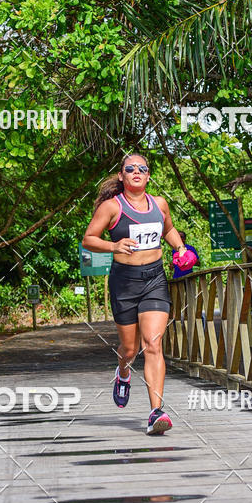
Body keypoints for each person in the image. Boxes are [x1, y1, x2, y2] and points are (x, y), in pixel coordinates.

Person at [82, 152, 188, 435]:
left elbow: (169, 229)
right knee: (129, 349)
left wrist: (179, 248)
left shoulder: (160, 204)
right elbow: (89, 239)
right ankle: (124, 372)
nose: (136, 172)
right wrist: (114, 246)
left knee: (152, 343)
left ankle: (156, 412)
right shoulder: (111, 207)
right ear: (122, 176)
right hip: (124, 283)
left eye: (142, 168)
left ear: (149, 175)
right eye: (130, 169)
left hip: (154, 279)